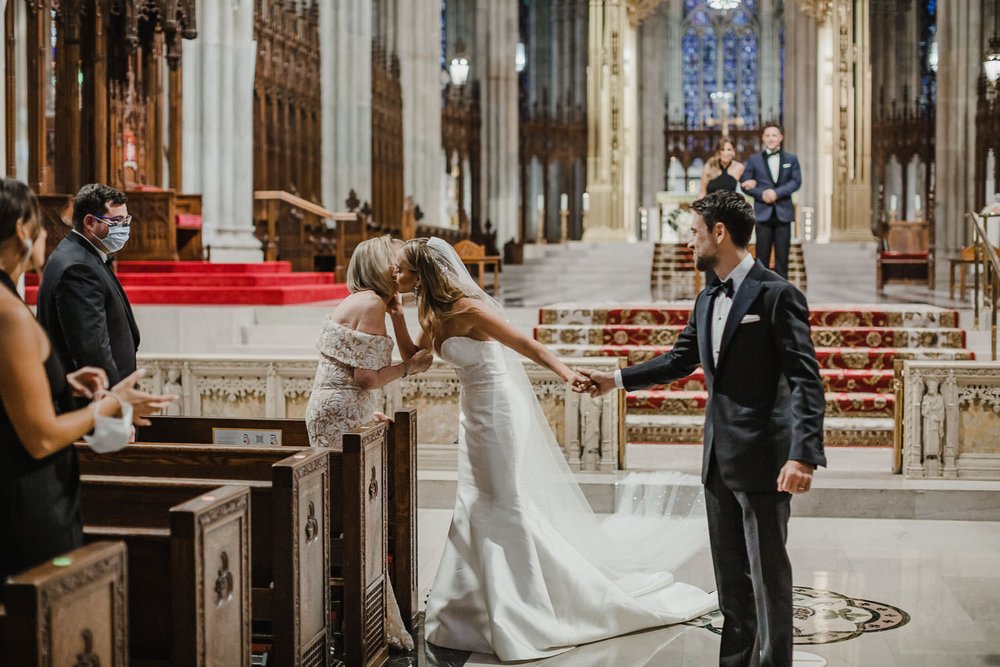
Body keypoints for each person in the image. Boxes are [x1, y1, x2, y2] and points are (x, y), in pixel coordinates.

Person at [396, 237, 717, 662]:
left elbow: (529, 347)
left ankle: (524, 609)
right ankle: (471, 605)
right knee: (476, 500)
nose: (395, 274)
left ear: (421, 273)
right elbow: (414, 359)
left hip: (498, 411)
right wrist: (394, 316)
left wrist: (567, 373)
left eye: (400, 269)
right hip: (471, 413)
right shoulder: (430, 313)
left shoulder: (468, 310)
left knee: (503, 501)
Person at [581, 190, 826, 667]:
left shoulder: (776, 294)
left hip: (765, 459)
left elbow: (805, 380)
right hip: (717, 460)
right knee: (731, 583)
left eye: (693, 232)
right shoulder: (707, 295)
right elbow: (679, 360)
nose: (687, 241)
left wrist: (803, 454)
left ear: (719, 232)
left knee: (768, 577)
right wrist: (612, 380)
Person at [0, 178, 175, 595]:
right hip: (27, 490)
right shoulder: (8, 312)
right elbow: (41, 437)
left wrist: (62, 380)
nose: (47, 236)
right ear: (23, 230)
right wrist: (115, 403)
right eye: (41, 226)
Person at [304, 235, 432, 650]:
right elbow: (365, 377)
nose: (399, 272)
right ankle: (366, 610)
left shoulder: (359, 300)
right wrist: (408, 369)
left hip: (332, 406)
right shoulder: (373, 304)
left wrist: (398, 317)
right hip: (342, 405)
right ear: (380, 267)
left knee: (346, 500)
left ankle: (360, 603)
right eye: (395, 265)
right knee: (358, 507)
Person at [36, 184, 139, 389]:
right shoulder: (79, 269)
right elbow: (92, 351)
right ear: (90, 222)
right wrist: (118, 405)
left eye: (126, 220)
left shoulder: (82, 255)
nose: (124, 228)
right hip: (97, 403)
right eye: (117, 221)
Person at [739, 123, 801, 279]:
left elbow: (796, 181)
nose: (771, 138)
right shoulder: (754, 160)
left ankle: (782, 296)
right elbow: (745, 183)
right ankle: (761, 294)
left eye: (774, 135)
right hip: (762, 213)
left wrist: (776, 193)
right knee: (762, 259)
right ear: (763, 138)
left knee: (782, 259)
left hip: (783, 213)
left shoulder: (791, 159)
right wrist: (762, 193)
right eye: (767, 135)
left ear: (781, 137)